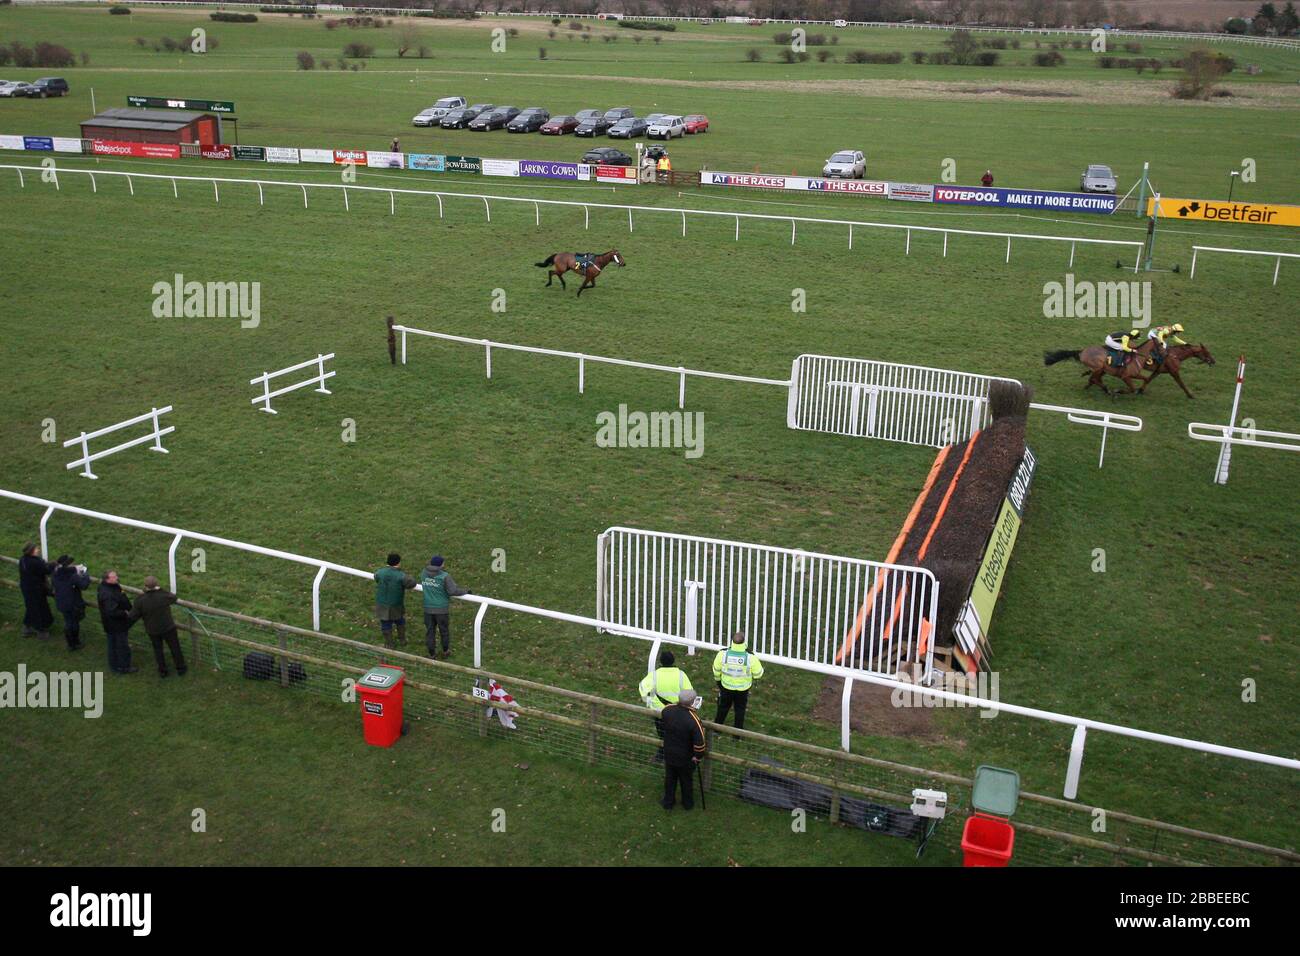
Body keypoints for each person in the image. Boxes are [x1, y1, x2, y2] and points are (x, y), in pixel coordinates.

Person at [639, 649, 694, 761]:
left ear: (661, 662)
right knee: (675, 734)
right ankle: (674, 755)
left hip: (659, 711)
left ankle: (662, 755)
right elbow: (690, 692)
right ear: (673, 661)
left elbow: (642, 688)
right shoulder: (681, 675)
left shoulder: (654, 675)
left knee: (662, 734)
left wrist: (648, 701)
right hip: (677, 712)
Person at [129, 576, 188, 677]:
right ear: (156, 585)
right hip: (168, 627)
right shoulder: (163, 596)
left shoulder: (140, 600)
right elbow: (173, 597)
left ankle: (163, 671)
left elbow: (134, 615)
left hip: (152, 629)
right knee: (175, 647)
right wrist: (160, 589)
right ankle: (181, 668)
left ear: (145, 586)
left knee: (158, 650)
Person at [659, 688, 706, 811]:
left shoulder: (668, 710)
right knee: (686, 781)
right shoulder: (693, 719)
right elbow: (700, 743)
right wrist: (698, 756)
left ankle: (668, 802)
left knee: (670, 779)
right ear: (692, 703)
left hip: (669, 752)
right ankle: (687, 804)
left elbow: (665, 714)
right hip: (686, 758)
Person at [418, 554, 469, 659]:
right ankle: (445, 651)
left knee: (430, 631)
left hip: (428, 608)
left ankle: (431, 654)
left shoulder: (423, 573)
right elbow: (453, 591)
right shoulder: (444, 576)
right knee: (444, 631)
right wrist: (465, 591)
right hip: (441, 609)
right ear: (441, 564)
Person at [712, 630, 764, 729]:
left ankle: (717, 729)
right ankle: (737, 734)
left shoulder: (722, 654)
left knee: (723, 707)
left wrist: (719, 682)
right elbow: (758, 674)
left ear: (732, 641)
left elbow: (716, 670)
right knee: (740, 710)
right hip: (743, 689)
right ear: (744, 642)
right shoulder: (750, 657)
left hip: (726, 687)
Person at [97, 570, 137, 675]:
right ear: (107, 579)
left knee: (113, 644)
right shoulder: (108, 594)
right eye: (114, 577)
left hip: (111, 623)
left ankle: (114, 665)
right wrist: (125, 613)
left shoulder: (109, 587)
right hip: (116, 624)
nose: (117, 578)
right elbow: (112, 611)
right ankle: (123, 667)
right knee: (121, 646)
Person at [374, 553, 416, 649]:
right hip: (396, 604)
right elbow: (411, 583)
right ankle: (402, 640)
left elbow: (376, 577)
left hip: (382, 603)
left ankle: (389, 644)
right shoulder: (401, 576)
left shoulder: (380, 572)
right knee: (400, 621)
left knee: (385, 624)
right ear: (398, 563)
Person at [51, 555, 90, 650]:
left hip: (61, 602)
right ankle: (74, 642)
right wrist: (85, 575)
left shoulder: (56, 574)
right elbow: (84, 585)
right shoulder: (72, 576)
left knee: (68, 622)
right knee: (74, 623)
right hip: (73, 603)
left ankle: (70, 643)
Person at [17, 542, 55, 640]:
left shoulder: (23, 560)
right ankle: (40, 630)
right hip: (36, 589)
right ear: (31, 551)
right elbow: (46, 570)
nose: (38, 550)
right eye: (36, 549)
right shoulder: (35, 562)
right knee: (39, 609)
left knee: (31, 607)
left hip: (26, 588)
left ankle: (27, 627)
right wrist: (54, 564)